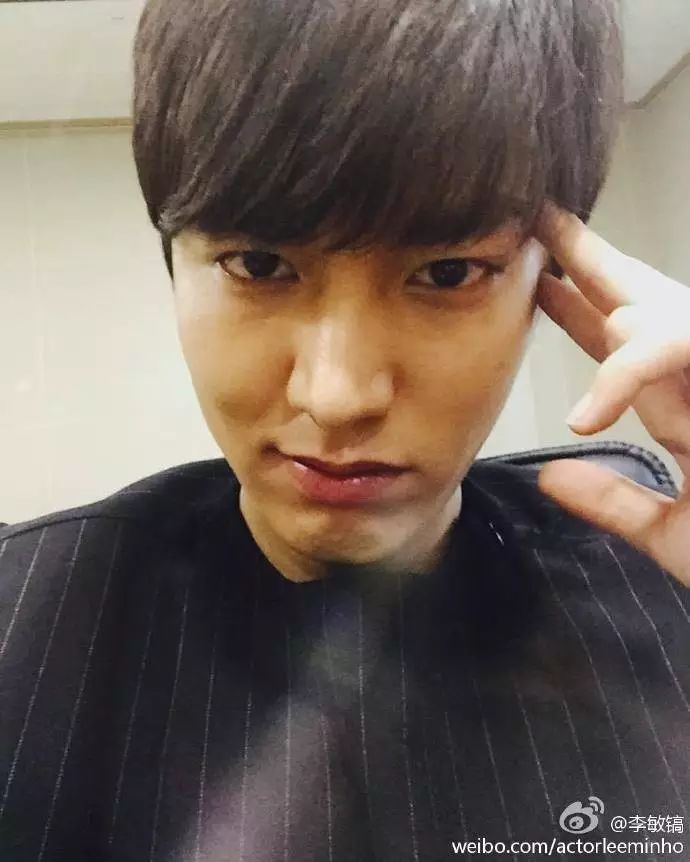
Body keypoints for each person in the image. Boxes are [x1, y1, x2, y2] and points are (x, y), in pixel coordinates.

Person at [1, 0, 689, 859]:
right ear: (173, 267)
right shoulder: (21, 623)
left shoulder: (666, 590)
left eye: (447, 272)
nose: (337, 397)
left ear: (550, 282)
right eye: (259, 264)